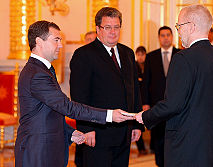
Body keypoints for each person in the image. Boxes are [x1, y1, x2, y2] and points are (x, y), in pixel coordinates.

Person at [14, 20, 133, 167]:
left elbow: (48, 113)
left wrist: (70, 132)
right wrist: (109, 115)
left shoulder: (42, 70)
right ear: (39, 41)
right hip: (39, 150)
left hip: (46, 148)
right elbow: (66, 107)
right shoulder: (37, 74)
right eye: (56, 40)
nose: (60, 45)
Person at [136, 4, 213, 167]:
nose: (178, 31)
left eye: (179, 26)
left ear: (191, 27)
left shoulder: (182, 58)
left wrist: (145, 116)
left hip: (183, 149)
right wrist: (210, 134)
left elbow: (173, 104)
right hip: (211, 148)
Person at [70, 7, 143, 167]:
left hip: (124, 132)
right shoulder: (84, 55)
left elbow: (134, 91)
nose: (113, 32)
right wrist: (86, 128)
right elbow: (79, 96)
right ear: (98, 29)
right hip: (97, 134)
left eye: (116, 27)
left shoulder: (128, 53)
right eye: (107, 27)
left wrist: (137, 123)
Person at [141, 26, 180, 167]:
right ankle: (159, 163)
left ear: (172, 36)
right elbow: (146, 82)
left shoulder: (180, 54)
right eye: (162, 35)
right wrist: (145, 103)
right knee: (157, 137)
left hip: (176, 104)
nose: (165, 38)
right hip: (156, 105)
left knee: (174, 136)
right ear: (159, 38)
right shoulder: (151, 56)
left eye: (168, 35)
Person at [135, 46, 147, 155]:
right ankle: (141, 148)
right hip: (137, 100)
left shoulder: (149, 66)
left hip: (147, 100)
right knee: (137, 123)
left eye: (142, 54)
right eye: (138, 55)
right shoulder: (134, 66)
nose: (140, 57)